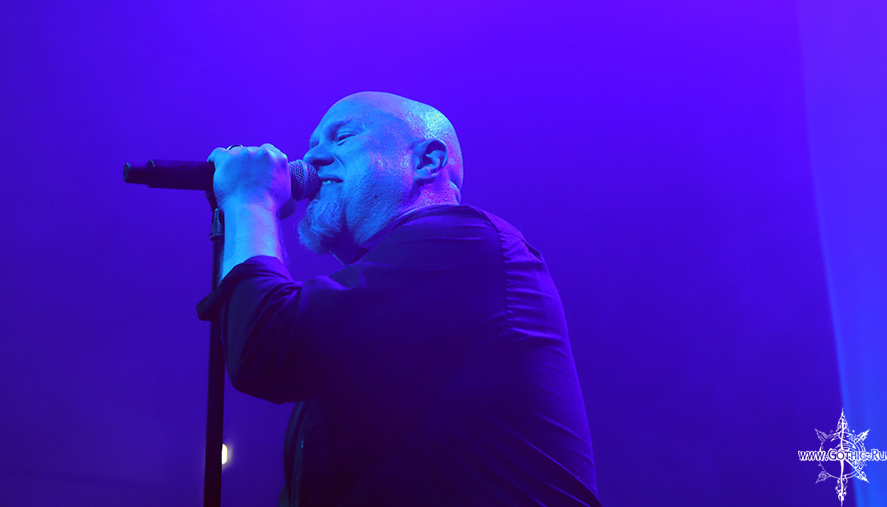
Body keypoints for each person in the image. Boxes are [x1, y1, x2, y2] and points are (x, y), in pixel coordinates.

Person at [198, 92, 600, 506]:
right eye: (313, 143)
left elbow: (266, 348)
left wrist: (250, 201)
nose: (312, 157)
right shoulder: (378, 314)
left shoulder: (466, 244)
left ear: (427, 162)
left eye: (343, 137)